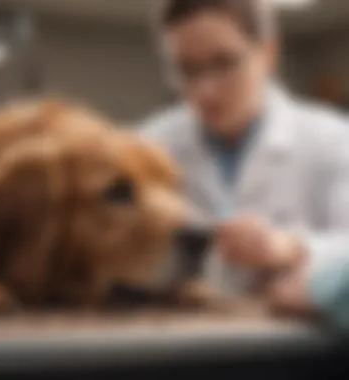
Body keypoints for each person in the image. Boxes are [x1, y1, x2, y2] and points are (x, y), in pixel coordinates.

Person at [139, 0, 349, 328]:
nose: (204, 90)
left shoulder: (333, 140)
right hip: (177, 343)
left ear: (267, 53)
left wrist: (289, 247)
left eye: (223, 63)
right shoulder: (149, 146)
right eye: (186, 69)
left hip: (297, 355)